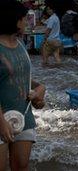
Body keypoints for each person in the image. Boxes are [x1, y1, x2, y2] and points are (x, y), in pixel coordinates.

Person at [0, 0, 46, 170]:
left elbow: (23, 77)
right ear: (14, 20)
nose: (27, 22)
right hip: (1, 119)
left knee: (21, 166)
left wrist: (41, 89)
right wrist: (1, 123)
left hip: (23, 117)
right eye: (24, 19)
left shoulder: (21, 45)